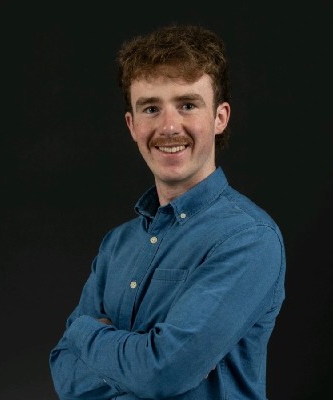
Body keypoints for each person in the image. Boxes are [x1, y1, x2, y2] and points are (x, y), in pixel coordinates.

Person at [49, 23, 286, 399]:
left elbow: (163, 373)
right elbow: (64, 370)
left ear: (220, 117)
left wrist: (83, 332)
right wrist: (138, 363)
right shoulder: (117, 244)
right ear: (132, 125)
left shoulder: (247, 238)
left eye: (187, 105)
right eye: (151, 108)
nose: (169, 126)